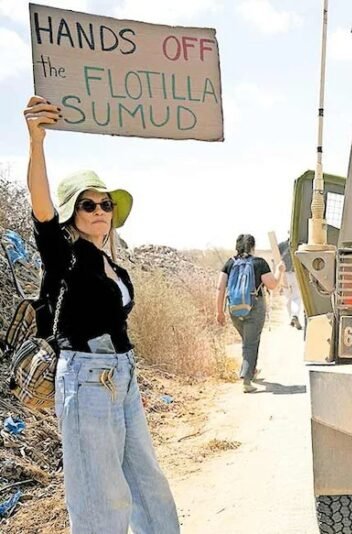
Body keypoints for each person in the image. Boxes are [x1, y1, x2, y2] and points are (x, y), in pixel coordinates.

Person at [22, 95, 180, 533]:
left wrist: (127, 376)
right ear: (72, 213)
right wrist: (36, 142)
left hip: (120, 375)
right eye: (87, 205)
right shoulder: (64, 255)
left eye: (105, 204)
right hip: (86, 377)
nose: (99, 211)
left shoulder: (112, 263)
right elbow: (42, 209)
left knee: (148, 484)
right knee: (101, 496)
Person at [216, 234, 285, 393]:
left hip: (234, 309)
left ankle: (251, 370)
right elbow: (273, 285)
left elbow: (220, 288)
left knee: (248, 341)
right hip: (255, 308)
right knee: (251, 343)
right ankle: (246, 381)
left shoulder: (229, 263)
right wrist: (279, 271)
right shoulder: (259, 263)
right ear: (253, 247)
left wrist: (219, 311)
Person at [277, 235, 304, 330]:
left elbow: (277, 260)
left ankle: (291, 318)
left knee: (288, 297)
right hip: (295, 274)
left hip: (284, 274)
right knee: (296, 296)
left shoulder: (281, 245)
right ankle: (294, 315)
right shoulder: (300, 245)